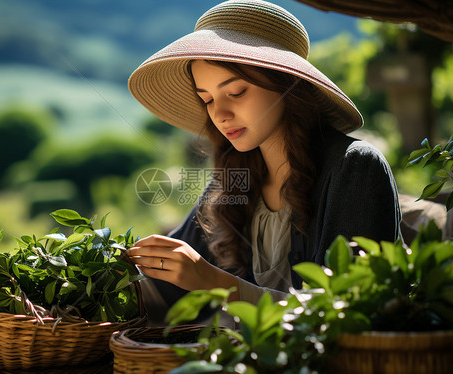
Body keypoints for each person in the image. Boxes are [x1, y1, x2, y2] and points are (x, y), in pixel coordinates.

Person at [125, 0, 401, 317]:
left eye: (237, 92)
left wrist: (213, 282)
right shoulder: (232, 179)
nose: (220, 114)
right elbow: (160, 288)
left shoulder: (355, 168)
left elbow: (350, 313)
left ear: (287, 84)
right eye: (208, 100)